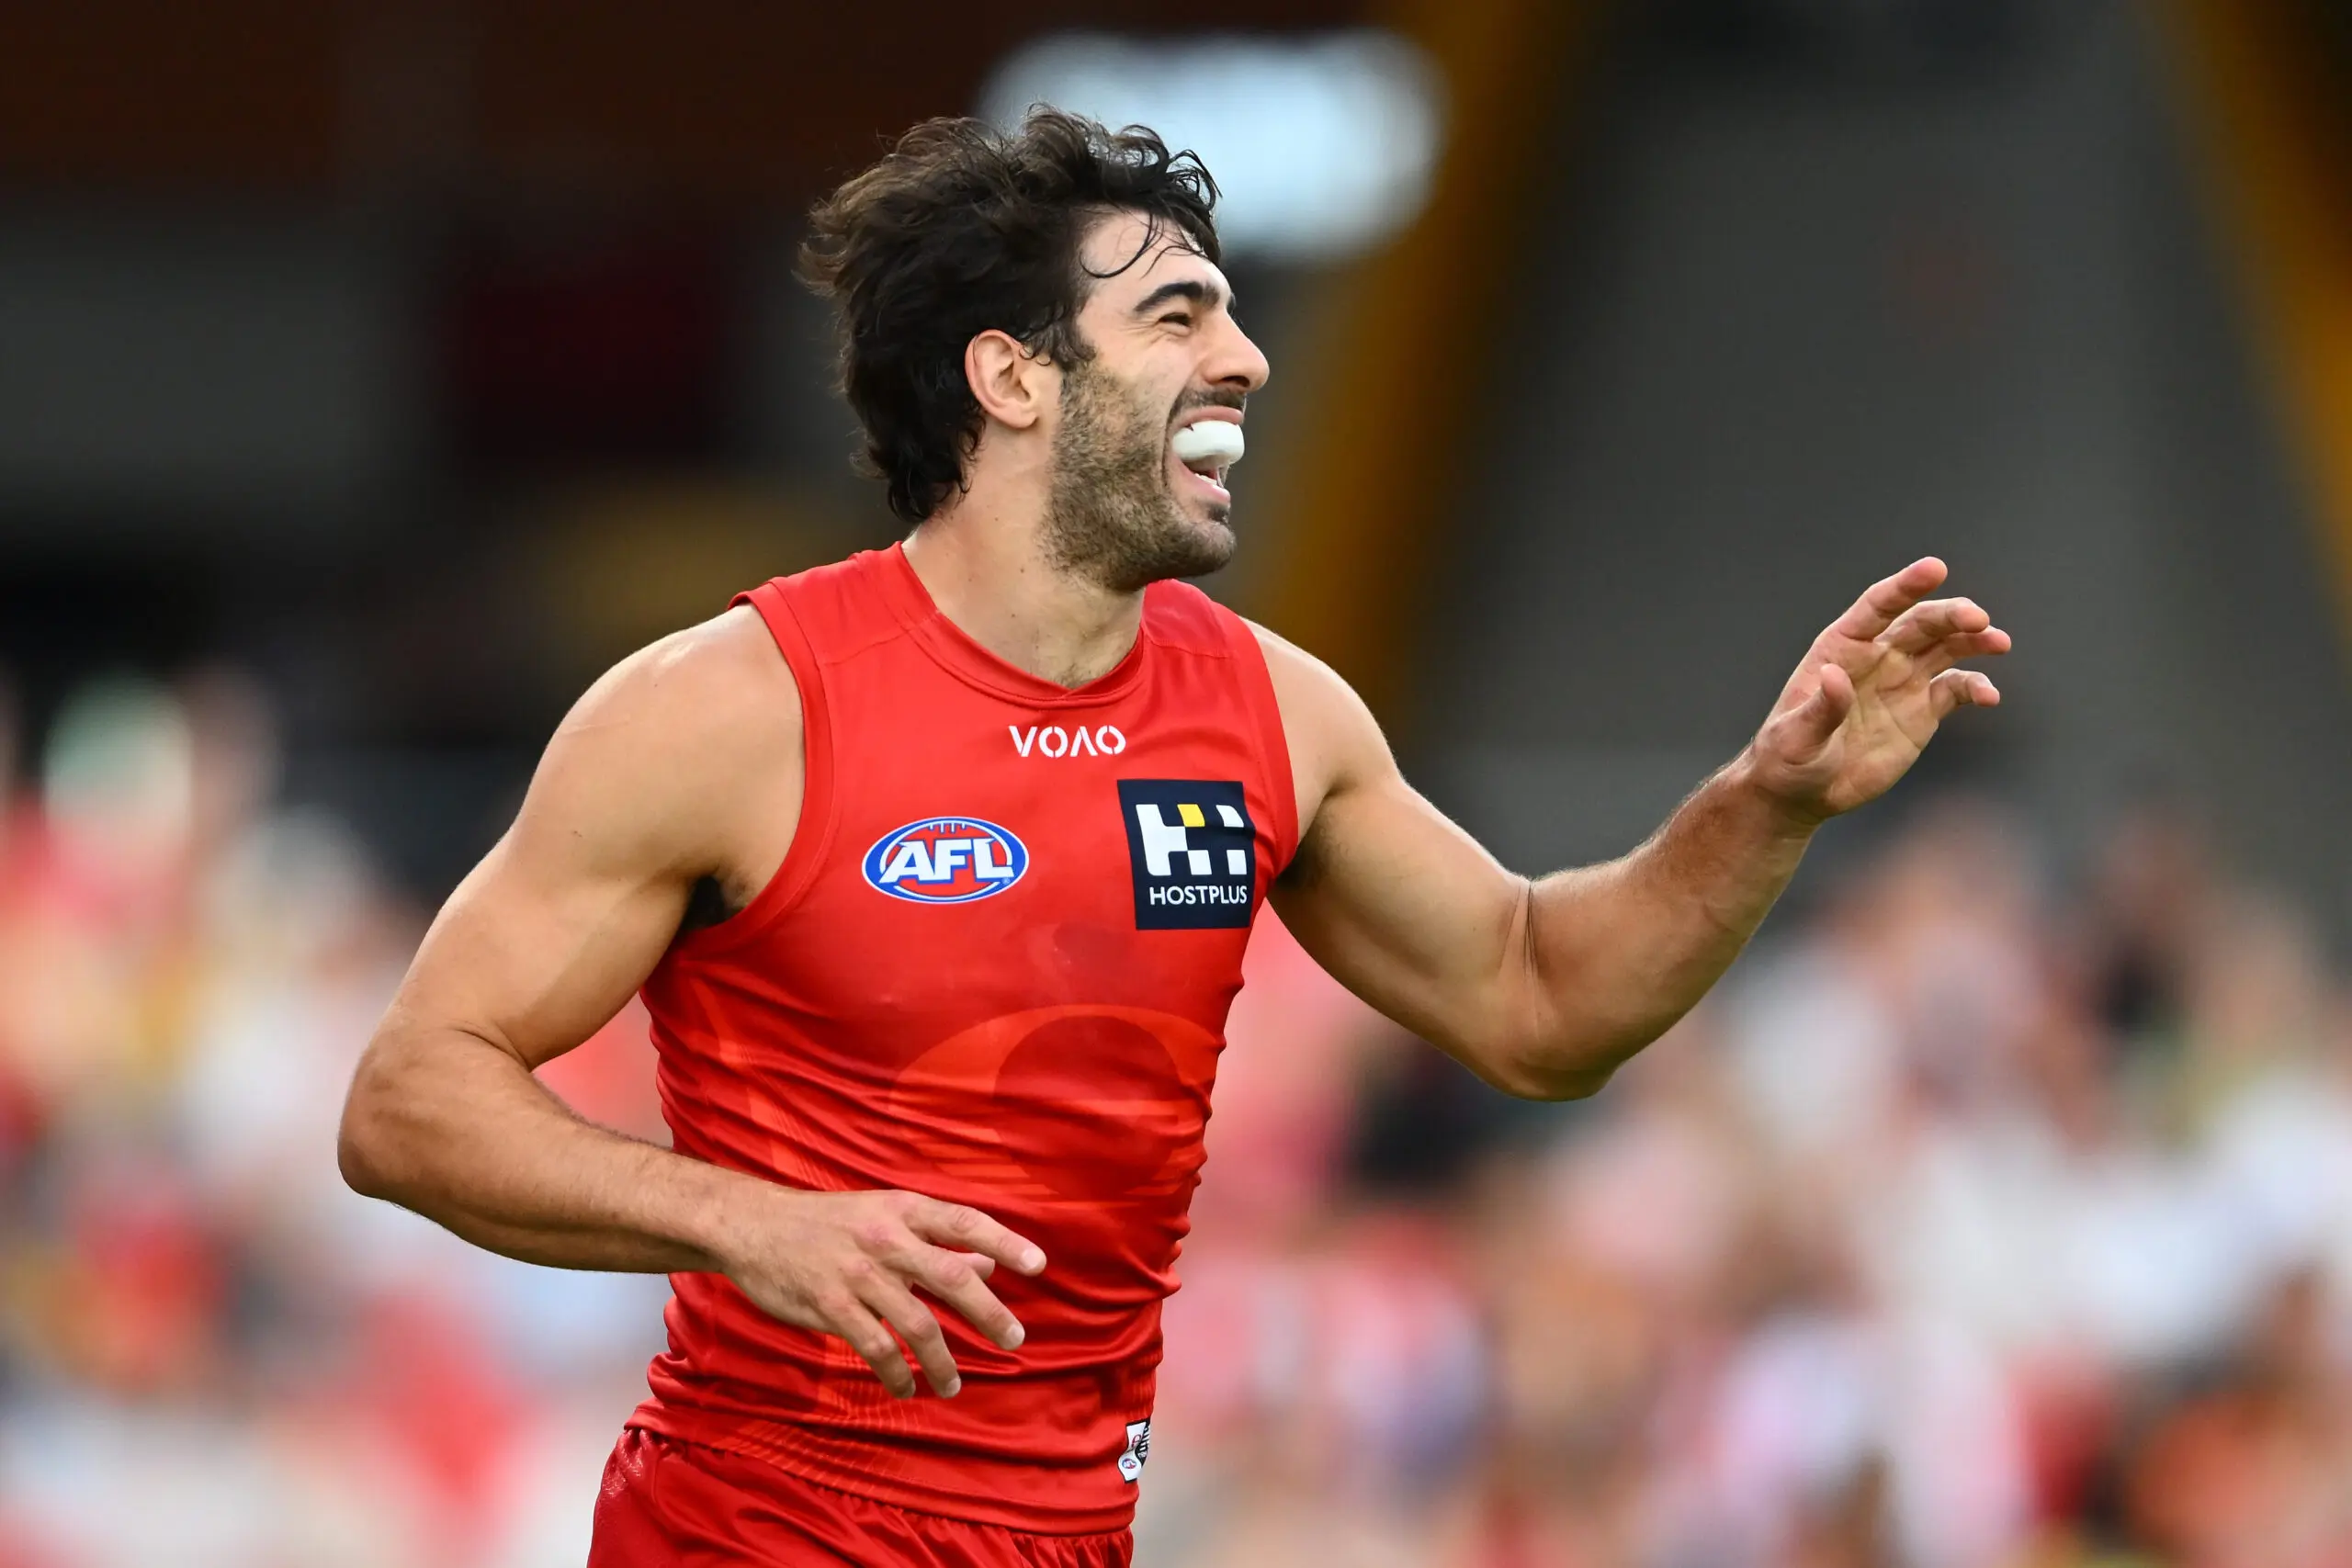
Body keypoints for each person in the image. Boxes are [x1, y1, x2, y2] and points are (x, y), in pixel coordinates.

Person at [337, 110, 2009, 1566]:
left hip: (1079, 1532)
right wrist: (747, 1218)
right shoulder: (731, 707)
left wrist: (1765, 803)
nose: (1247, 358)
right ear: (1010, 375)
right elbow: (411, 1098)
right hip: (756, 1526)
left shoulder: (1276, 713)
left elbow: (1541, 1000)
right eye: (1177, 314)